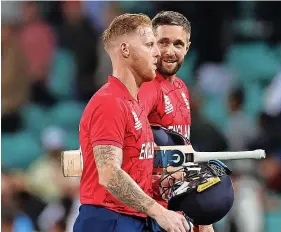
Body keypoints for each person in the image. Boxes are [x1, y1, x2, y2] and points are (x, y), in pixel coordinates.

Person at [73, 13, 190, 232]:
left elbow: (135, 170)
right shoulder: (110, 102)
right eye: (149, 45)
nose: (158, 53)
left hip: (132, 219)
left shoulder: (133, 104)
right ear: (125, 50)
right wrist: (159, 211)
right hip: (108, 220)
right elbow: (109, 174)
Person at [138, 11, 214, 232]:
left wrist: (201, 216)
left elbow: (184, 153)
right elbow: (132, 148)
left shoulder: (181, 87)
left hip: (179, 208)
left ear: (187, 48)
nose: (171, 51)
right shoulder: (146, 87)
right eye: (163, 42)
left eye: (178, 44)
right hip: (151, 213)